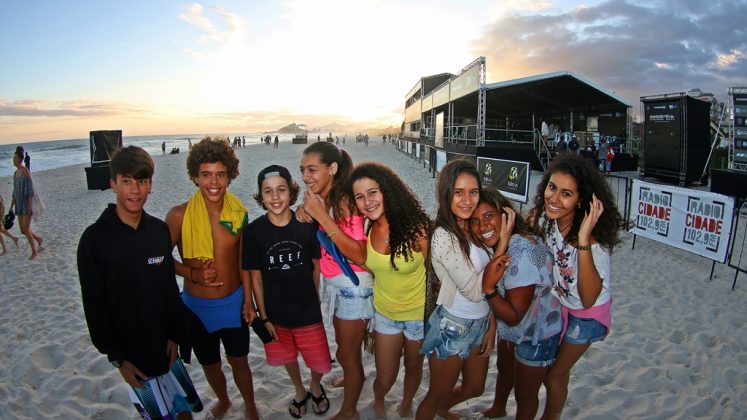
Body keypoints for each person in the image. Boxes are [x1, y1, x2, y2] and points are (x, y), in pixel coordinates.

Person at [77, 146, 202, 419]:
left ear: (150, 185)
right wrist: (118, 359)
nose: (135, 190)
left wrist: (175, 336)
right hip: (132, 357)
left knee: (184, 412)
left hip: (167, 348)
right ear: (113, 184)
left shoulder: (158, 231)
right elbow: (94, 307)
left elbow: (169, 290)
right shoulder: (94, 241)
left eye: (142, 181)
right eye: (127, 181)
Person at [165, 137, 259, 420]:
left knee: (240, 362)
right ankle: (224, 399)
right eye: (206, 174)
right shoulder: (178, 216)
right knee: (210, 365)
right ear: (195, 177)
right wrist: (192, 273)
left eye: (220, 174)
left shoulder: (238, 213)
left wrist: (249, 300)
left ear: (230, 175)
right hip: (196, 309)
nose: (214, 182)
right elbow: (159, 261)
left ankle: (251, 407)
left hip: (233, 304)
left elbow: (244, 261)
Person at [528, 153, 625, 420]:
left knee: (553, 377)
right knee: (560, 371)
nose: (554, 198)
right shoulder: (554, 222)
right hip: (565, 307)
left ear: (581, 200)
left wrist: (582, 239)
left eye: (566, 194)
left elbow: (590, 298)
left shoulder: (589, 241)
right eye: (552, 187)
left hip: (587, 316)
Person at [242, 165, 332, 418]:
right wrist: (264, 316)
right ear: (261, 196)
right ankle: (300, 390)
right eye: (268, 191)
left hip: (307, 310)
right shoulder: (253, 232)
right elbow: (255, 275)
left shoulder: (306, 225)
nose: (275, 197)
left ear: (291, 193)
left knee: (320, 361)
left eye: (281, 190)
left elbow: (315, 265)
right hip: (276, 314)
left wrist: (312, 297)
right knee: (287, 356)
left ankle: (315, 385)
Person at [415, 159, 497, 420]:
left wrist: (491, 324)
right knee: (436, 394)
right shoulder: (443, 236)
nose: (467, 200)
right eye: (458, 192)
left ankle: (442, 409)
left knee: (475, 387)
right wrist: (502, 248)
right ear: (446, 193)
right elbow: (475, 291)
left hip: (481, 322)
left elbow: (493, 288)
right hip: (453, 325)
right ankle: (437, 408)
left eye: (473, 192)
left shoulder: (473, 226)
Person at [348, 162, 430, 418]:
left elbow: (434, 274)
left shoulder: (418, 230)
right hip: (385, 315)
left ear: (388, 190)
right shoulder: (367, 227)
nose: (367, 202)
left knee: (414, 366)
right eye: (359, 197)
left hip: (418, 317)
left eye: (372, 192)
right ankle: (379, 397)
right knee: (385, 375)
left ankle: (406, 402)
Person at [298, 141, 372, 420]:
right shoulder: (325, 198)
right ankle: (349, 380)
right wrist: (303, 211)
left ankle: (350, 410)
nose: (306, 176)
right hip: (337, 286)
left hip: (354, 288)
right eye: (303, 169)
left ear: (332, 169)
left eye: (312, 169)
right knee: (344, 351)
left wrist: (320, 217)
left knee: (348, 356)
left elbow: (360, 254)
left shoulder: (344, 201)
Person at [475, 188, 562, 420]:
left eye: (488, 216)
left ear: (504, 214)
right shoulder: (502, 243)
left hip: (536, 332)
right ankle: (499, 408)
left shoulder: (521, 250)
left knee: (525, 396)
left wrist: (488, 288)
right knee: (505, 370)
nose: (482, 226)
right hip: (513, 327)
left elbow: (514, 315)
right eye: (475, 220)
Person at [10, 148, 44, 260]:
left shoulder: (25, 171)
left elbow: (30, 190)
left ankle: (34, 251)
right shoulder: (15, 174)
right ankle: (38, 239)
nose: (13, 160)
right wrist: (11, 206)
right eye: (13, 158)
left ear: (20, 159)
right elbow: (14, 192)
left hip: (26, 204)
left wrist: (29, 206)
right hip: (19, 205)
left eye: (15, 158)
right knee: (22, 230)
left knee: (26, 228)